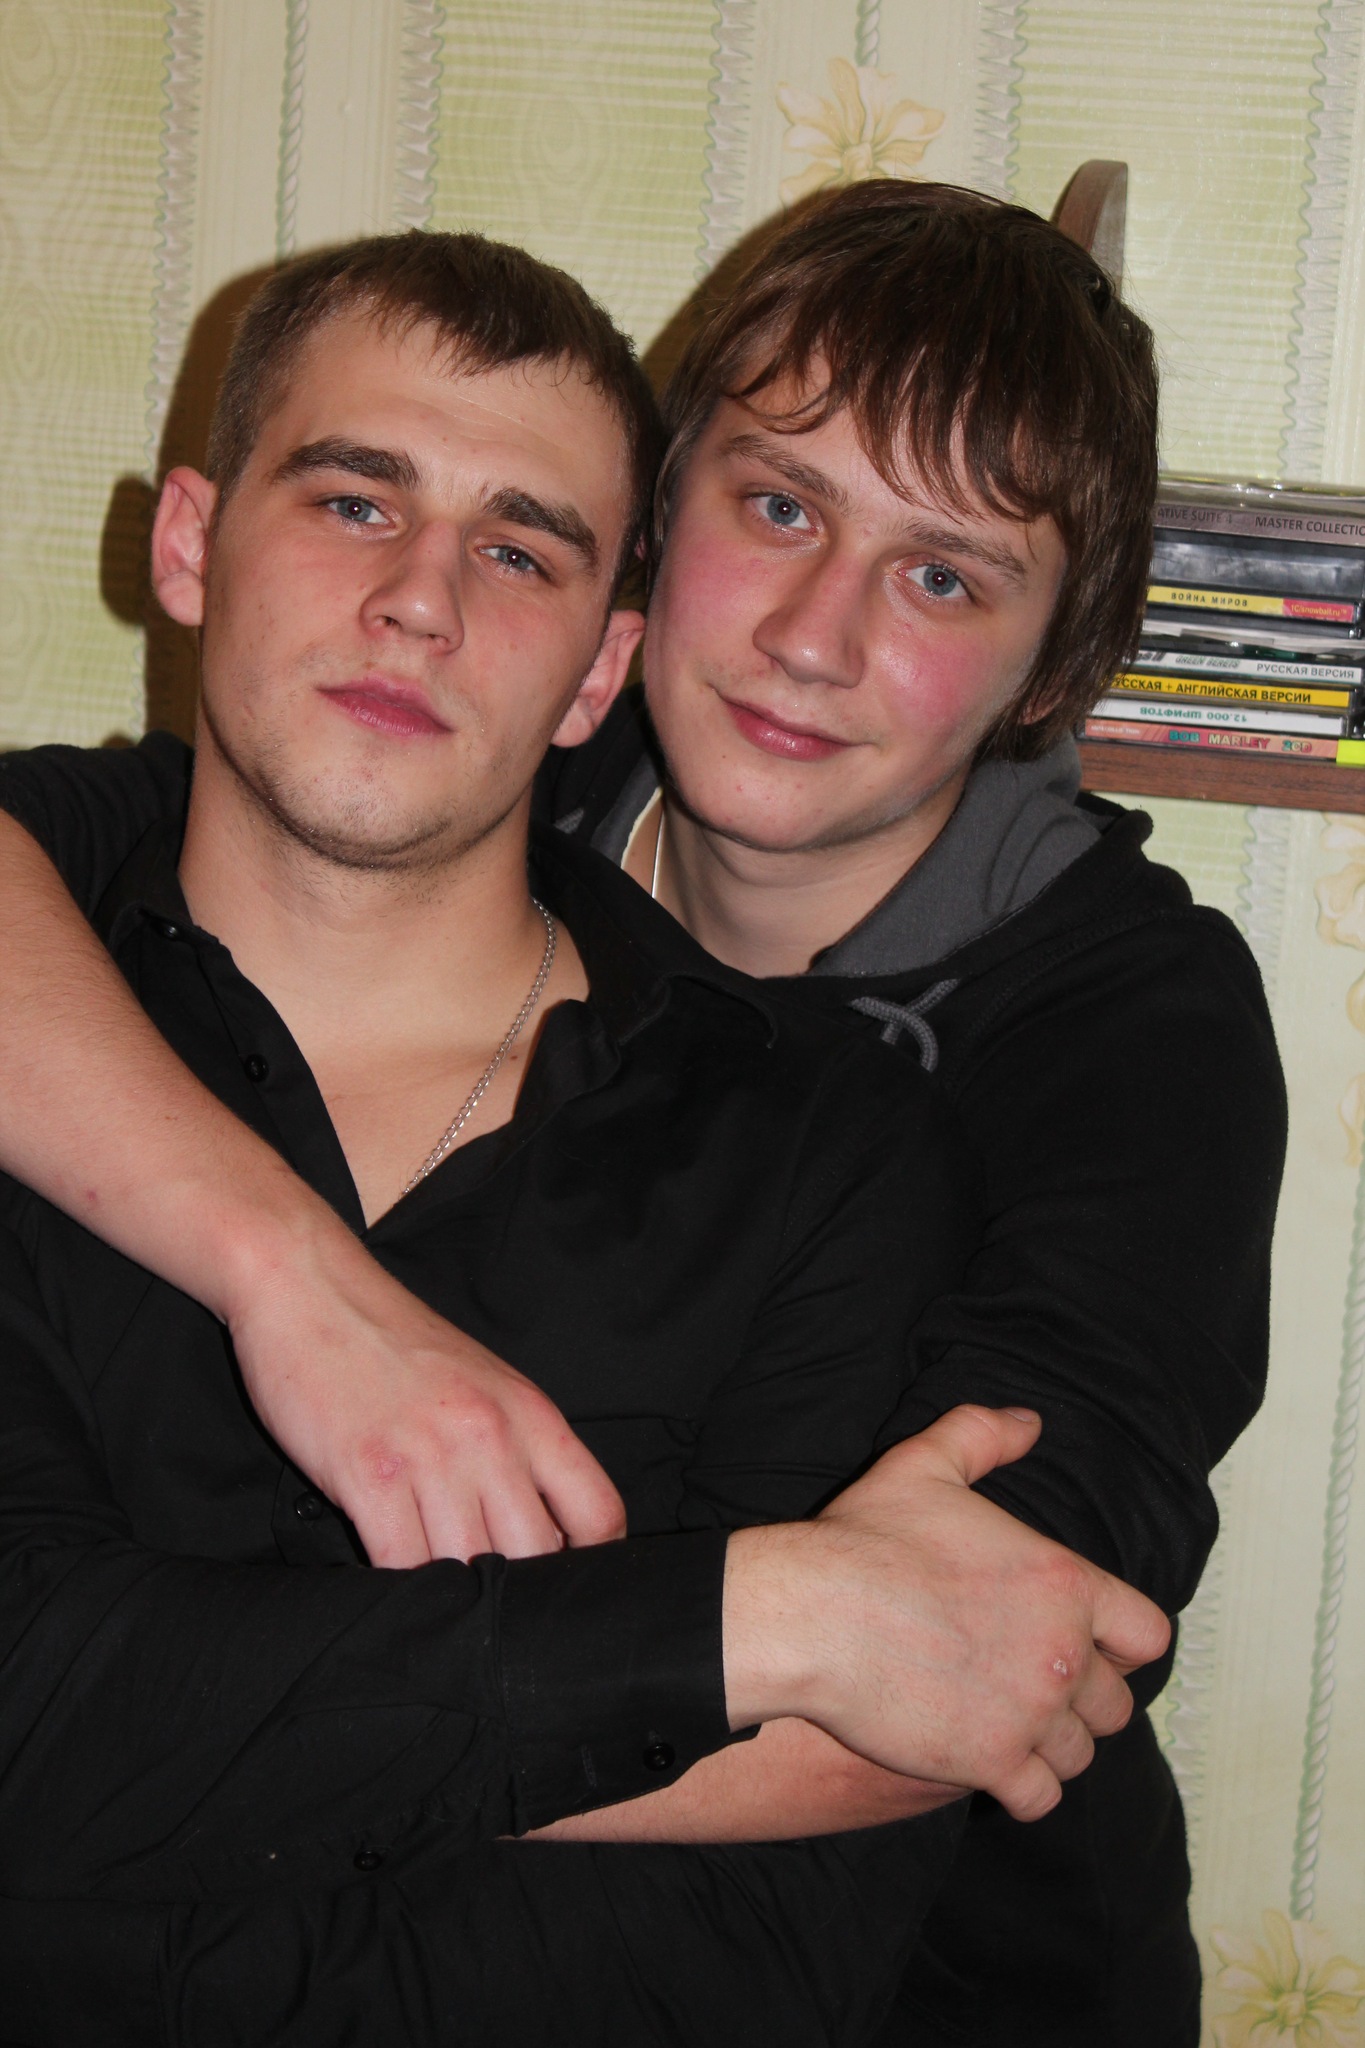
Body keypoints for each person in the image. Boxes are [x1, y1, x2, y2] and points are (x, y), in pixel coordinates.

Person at [0, 186, 1280, 2044]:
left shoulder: (1110, 1036)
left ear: (1053, 680)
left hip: (944, 1975)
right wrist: (290, 1277)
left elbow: (959, 1665)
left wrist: (173, 1729)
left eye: (943, 577)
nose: (813, 639)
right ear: (656, 551)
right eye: (781, 509)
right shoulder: (446, 732)